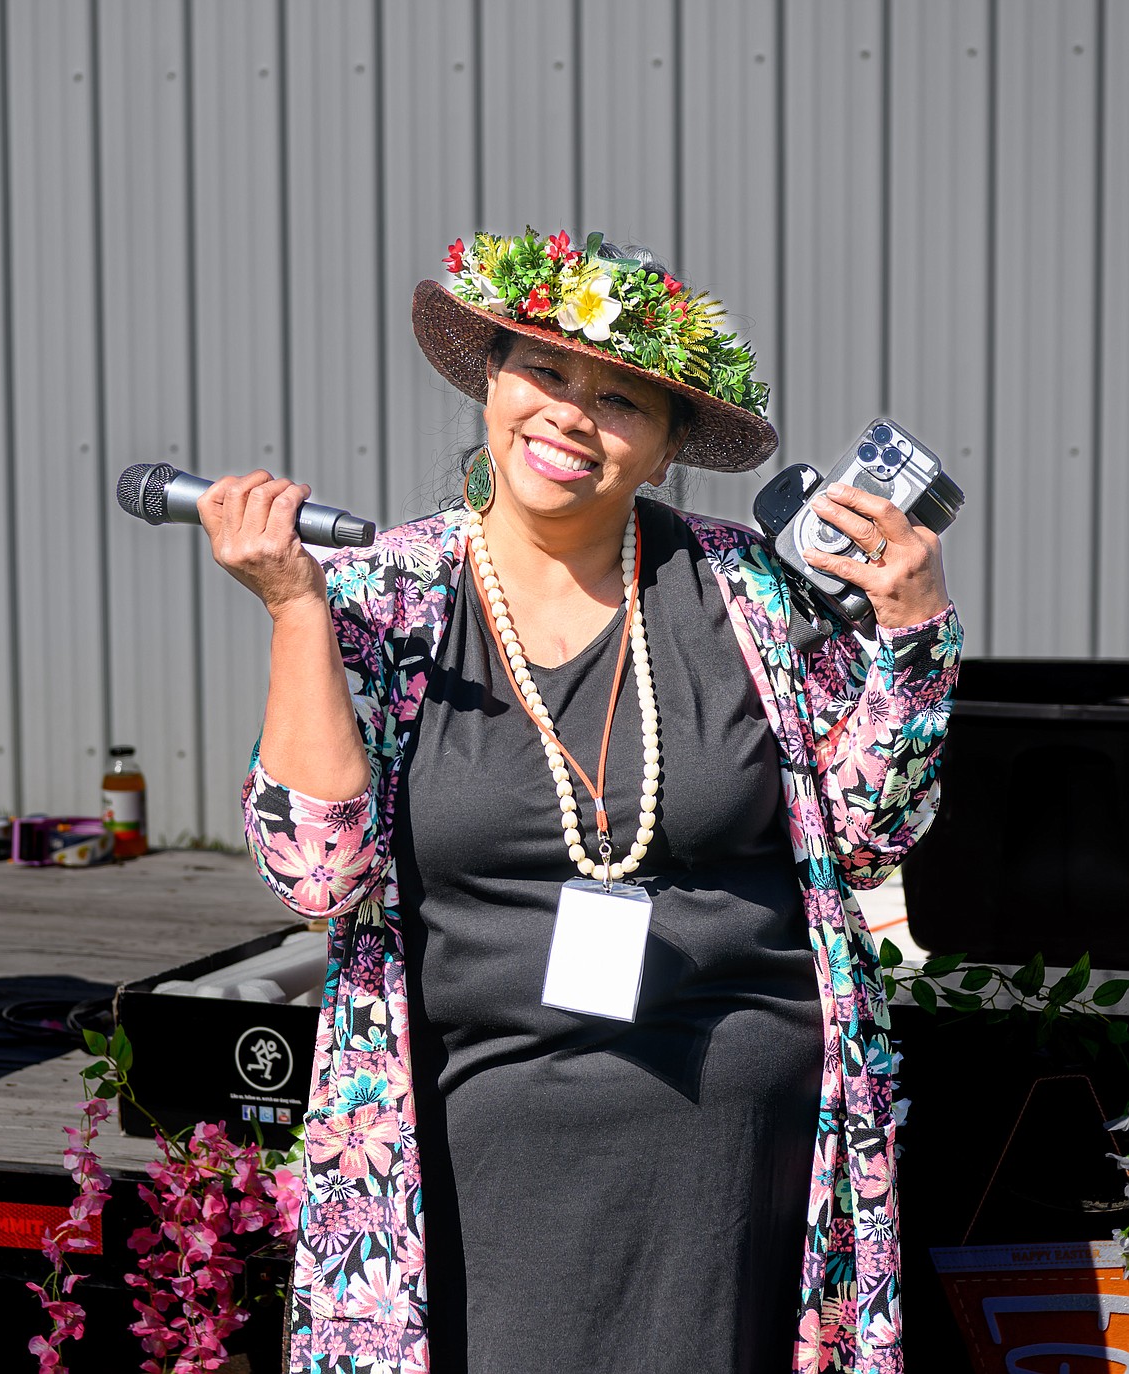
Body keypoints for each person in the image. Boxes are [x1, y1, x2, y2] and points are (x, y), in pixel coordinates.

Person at [199, 228, 961, 1374]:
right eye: (545, 373)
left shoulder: (748, 592)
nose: (570, 414)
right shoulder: (382, 598)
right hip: (470, 1140)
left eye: (621, 402)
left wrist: (908, 637)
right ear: (493, 381)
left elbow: (869, 837)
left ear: (662, 452)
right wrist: (295, 611)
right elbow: (316, 870)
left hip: (736, 1136)